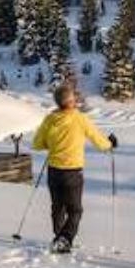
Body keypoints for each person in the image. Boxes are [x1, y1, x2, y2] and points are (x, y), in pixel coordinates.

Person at [32, 83, 117, 253]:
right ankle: (65, 238)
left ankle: (59, 237)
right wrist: (110, 144)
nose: (76, 101)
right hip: (73, 172)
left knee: (58, 206)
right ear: (70, 101)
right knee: (75, 209)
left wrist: (52, 144)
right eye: (74, 98)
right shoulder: (80, 119)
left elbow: (37, 144)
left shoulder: (50, 119)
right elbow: (99, 141)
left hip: (54, 170)